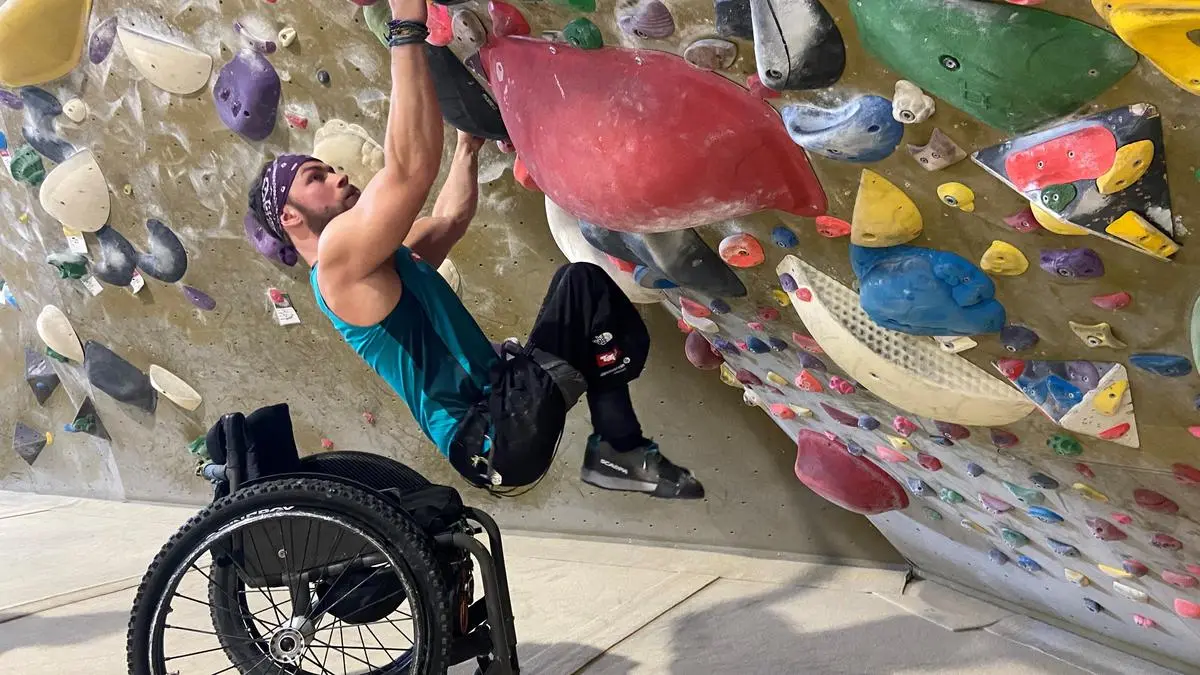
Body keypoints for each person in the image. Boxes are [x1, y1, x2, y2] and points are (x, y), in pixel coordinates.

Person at [245, 0, 702, 499]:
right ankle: (617, 445)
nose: (339, 175)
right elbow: (408, 172)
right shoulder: (336, 265)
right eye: (317, 178)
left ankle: (617, 445)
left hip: (505, 411)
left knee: (585, 288)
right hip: (492, 434)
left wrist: (468, 138)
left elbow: (448, 219)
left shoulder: (379, 265)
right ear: (290, 218)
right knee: (585, 293)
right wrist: (406, 27)